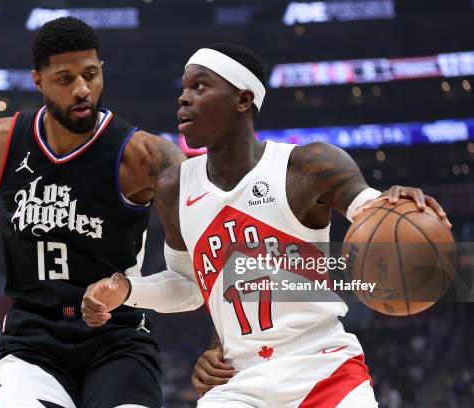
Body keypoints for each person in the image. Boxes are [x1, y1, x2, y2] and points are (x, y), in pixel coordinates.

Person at [81, 43, 451, 407]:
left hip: (323, 367)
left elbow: (374, 212)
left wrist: (397, 200)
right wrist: (128, 289)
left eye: (200, 86)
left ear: (243, 100)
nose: (184, 98)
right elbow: (189, 285)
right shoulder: (174, 187)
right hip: (240, 378)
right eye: (183, 88)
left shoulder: (308, 165)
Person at [0, 17, 186, 408]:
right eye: (64, 78)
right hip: (34, 336)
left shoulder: (144, 157)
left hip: (117, 335)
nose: (81, 89)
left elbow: (201, 267)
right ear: (38, 80)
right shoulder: (3, 141)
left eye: (91, 74)